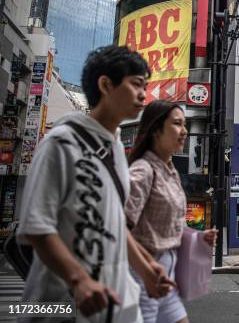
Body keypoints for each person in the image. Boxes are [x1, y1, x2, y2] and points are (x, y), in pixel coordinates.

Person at [16, 46, 173, 322]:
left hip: (117, 305)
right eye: (136, 84)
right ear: (105, 84)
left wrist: (147, 270)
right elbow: (37, 227)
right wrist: (79, 281)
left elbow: (113, 224)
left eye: (145, 86)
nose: (143, 94)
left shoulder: (115, 149)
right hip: (59, 306)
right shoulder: (61, 143)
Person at [125, 100, 218, 323]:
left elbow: (166, 223)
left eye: (185, 124)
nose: (184, 131)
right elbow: (118, 228)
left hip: (168, 274)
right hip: (143, 276)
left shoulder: (170, 170)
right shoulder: (143, 171)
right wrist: (146, 269)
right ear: (156, 130)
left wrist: (199, 237)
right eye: (177, 124)